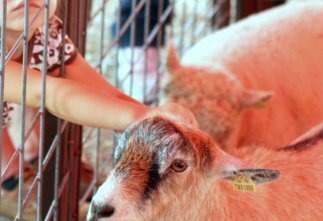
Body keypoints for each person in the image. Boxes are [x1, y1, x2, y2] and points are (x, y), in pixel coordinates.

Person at [1, 0, 196, 193]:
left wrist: (152, 116)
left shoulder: (46, 31)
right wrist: (140, 118)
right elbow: (51, 93)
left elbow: (102, 91)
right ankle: (9, 181)